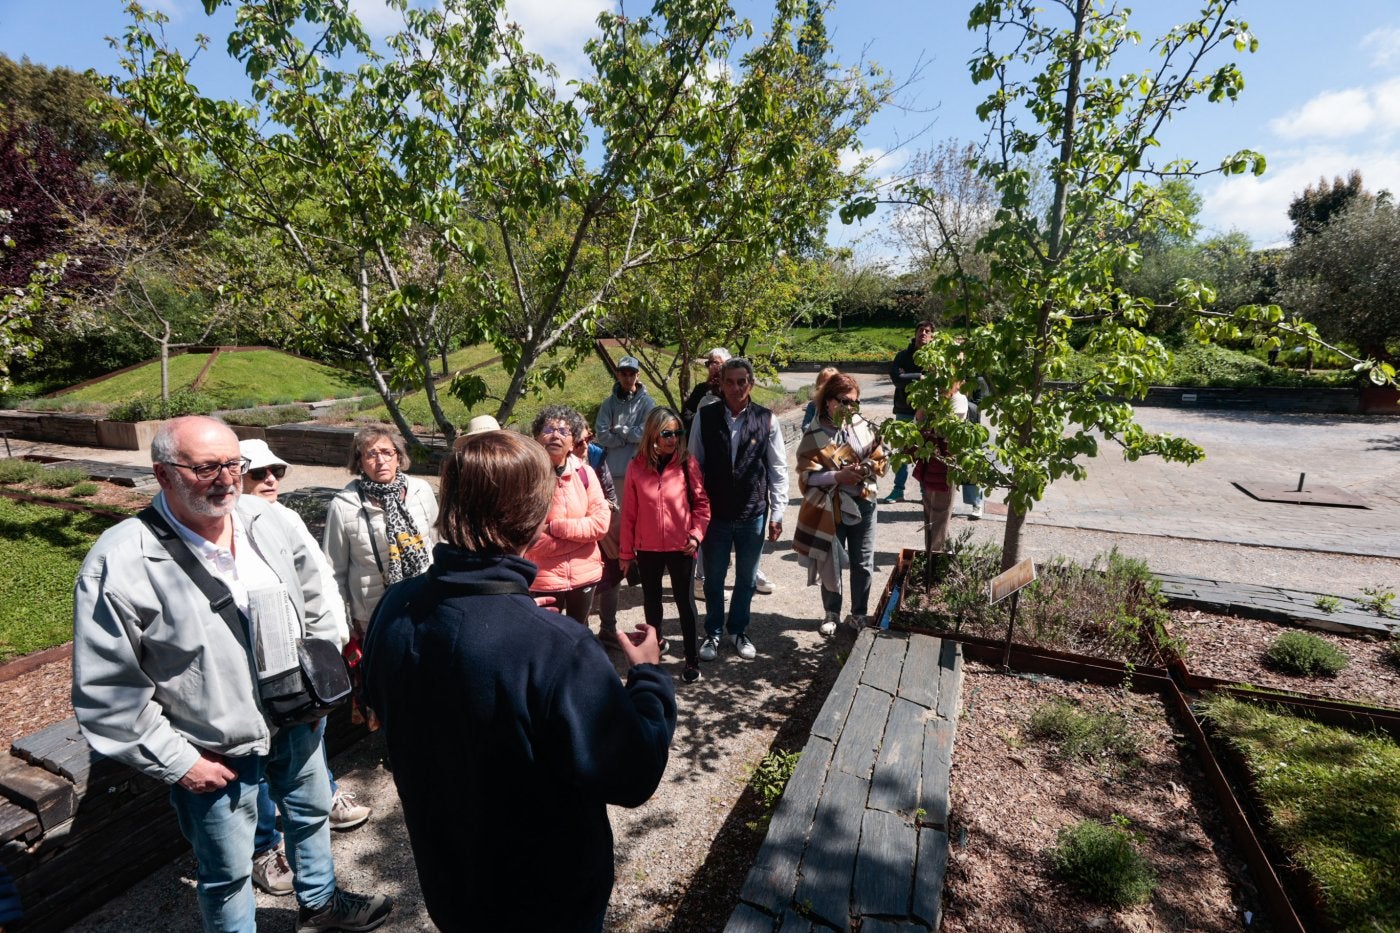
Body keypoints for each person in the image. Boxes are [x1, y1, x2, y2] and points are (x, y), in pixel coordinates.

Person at [72, 416, 391, 933]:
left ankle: (322, 905)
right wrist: (179, 762)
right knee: (226, 873)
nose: (226, 479)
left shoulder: (266, 520)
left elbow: (317, 595)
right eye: (206, 468)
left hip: (297, 717)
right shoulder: (120, 561)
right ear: (162, 472)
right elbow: (108, 694)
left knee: (310, 817)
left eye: (233, 464)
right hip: (212, 748)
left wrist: (319, 685)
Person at [362, 430, 676, 933]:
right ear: (533, 518)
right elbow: (632, 772)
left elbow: (390, 699)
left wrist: (519, 623)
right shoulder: (556, 647)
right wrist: (648, 678)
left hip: (451, 883)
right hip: (545, 900)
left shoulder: (394, 606)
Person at [237, 439, 369, 898]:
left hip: (296, 661)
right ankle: (264, 846)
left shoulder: (285, 518)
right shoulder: (221, 528)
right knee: (253, 761)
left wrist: (331, 642)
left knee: (307, 741)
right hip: (246, 676)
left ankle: (324, 798)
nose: (270, 480)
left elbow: (316, 580)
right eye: (258, 474)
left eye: (276, 472)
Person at [323, 426, 438, 728]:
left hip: (423, 600)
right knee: (388, 681)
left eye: (387, 452)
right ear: (359, 462)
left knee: (427, 671)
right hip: (374, 613)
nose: (380, 461)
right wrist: (343, 623)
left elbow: (437, 544)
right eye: (370, 454)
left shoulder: (421, 491)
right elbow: (333, 570)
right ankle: (397, 739)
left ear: (399, 457)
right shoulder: (344, 505)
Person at [688, 358, 789, 662]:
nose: (735, 388)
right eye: (729, 381)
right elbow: (694, 465)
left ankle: (738, 630)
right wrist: (694, 511)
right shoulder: (704, 417)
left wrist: (778, 512)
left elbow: (778, 468)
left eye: (741, 381)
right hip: (715, 515)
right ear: (720, 384)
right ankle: (714, 632)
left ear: (751, 383)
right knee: (714, 579)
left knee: (746, 579)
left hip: (753, 513)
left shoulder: (767, 419)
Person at [619, 407, 711, 683]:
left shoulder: (686, 463)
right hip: (647, 548)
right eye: (667, 433)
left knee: (686, 603)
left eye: (677, 432)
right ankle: (654, 651)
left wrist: (695, 535)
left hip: (681, 545)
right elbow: (629, 515)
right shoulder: (636, 467)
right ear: (653, 435)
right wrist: (626, 553)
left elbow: (702, 505)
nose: (673, 439)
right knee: (652, 603)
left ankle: (691, 659)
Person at [793, 373, 887, 633]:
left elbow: (880, 458)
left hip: (865, 503)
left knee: (863, 562)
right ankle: (831, 613)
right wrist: (838, 476)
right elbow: (806, 476)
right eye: (843, 401)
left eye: (854, 403)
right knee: (830, 561)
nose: (849, 408)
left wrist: (865, 468)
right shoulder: (815, 433)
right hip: (830, 507)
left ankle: (859, 615)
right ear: (828, 401)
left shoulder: (864, 426)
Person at [523, 405, 610, 625]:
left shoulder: (586, 473)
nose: (555, 435)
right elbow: (526, 537)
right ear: (536, 437)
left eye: (564, 432)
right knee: (543, 642)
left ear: (573, 443)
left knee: (578, 638)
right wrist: (580, 541)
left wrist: (554, 529)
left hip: (584, 576)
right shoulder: (524, 478)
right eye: (548, 429)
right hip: (543, 579)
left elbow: (600, 526)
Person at [573, 424, 624, 641]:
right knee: (584, 587)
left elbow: (611, 496)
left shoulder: (595, 455)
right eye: (579, 442)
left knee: (613, 579)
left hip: (601, 530)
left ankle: (608, 630)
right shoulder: (558, 464)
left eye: (589, 438)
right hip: (577, 533)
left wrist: (603, 509)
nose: (586, 445)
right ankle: (583, 636)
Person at [883, 320, 935, 503]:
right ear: (915, 333)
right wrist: (921, 376)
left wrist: (909, 376)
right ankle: (898, 490)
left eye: (927, 331)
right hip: (904, 409)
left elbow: (937, 380)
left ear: (932, 336)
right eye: (920, 330)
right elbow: (897, 379)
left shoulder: (935, 358)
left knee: (924, 451)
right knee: (903, 451)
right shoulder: (903, 356)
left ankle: (924, 491)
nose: (923, 333)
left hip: (927, 411)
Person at [681, 347, 730, 430]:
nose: (711, 367)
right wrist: (701, 420)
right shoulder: (701, 388)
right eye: (709, 363)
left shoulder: (730, 393)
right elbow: (686, 414)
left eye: (716, 363)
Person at [801, 366, 841, 433]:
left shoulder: (843, 403)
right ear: (819, 384)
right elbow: (806, 426)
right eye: (825, 382)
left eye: (832, 382)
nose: (828, 385)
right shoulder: (813, 405)